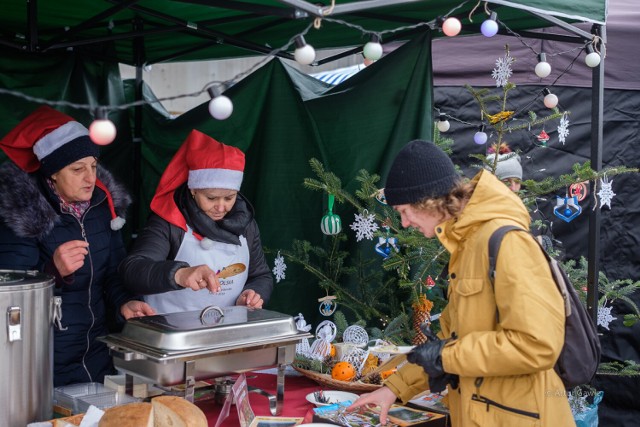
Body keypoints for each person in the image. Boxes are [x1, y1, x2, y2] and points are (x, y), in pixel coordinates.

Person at [347, 140, 573, 426]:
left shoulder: (505, 242)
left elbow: (537, 344)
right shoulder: (467, 246)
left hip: (520, 417)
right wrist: (394, 389)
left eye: (404, 211)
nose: (404, 223)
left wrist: (445, 357)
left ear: (427, 200)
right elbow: (449, 341)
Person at [0, 106, 156, 386]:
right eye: (77, 169)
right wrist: (53, 271)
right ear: (52, 174)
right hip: (42, 361)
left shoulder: (101, 207)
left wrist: (125, 303)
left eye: (94, 166)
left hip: (96, 354)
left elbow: (113, 274)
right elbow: (9, 298)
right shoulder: (23, 213)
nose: (90, 178)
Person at [119, 129, 273, 314]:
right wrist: (180, 274)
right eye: (211, 198)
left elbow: (260, 275)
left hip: (228, 333)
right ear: (194, 190)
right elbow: (133, 269)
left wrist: (253, 293)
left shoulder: (246, 224)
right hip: (171, 332)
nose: (221, 207)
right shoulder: (169, 223)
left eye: (229, 198)